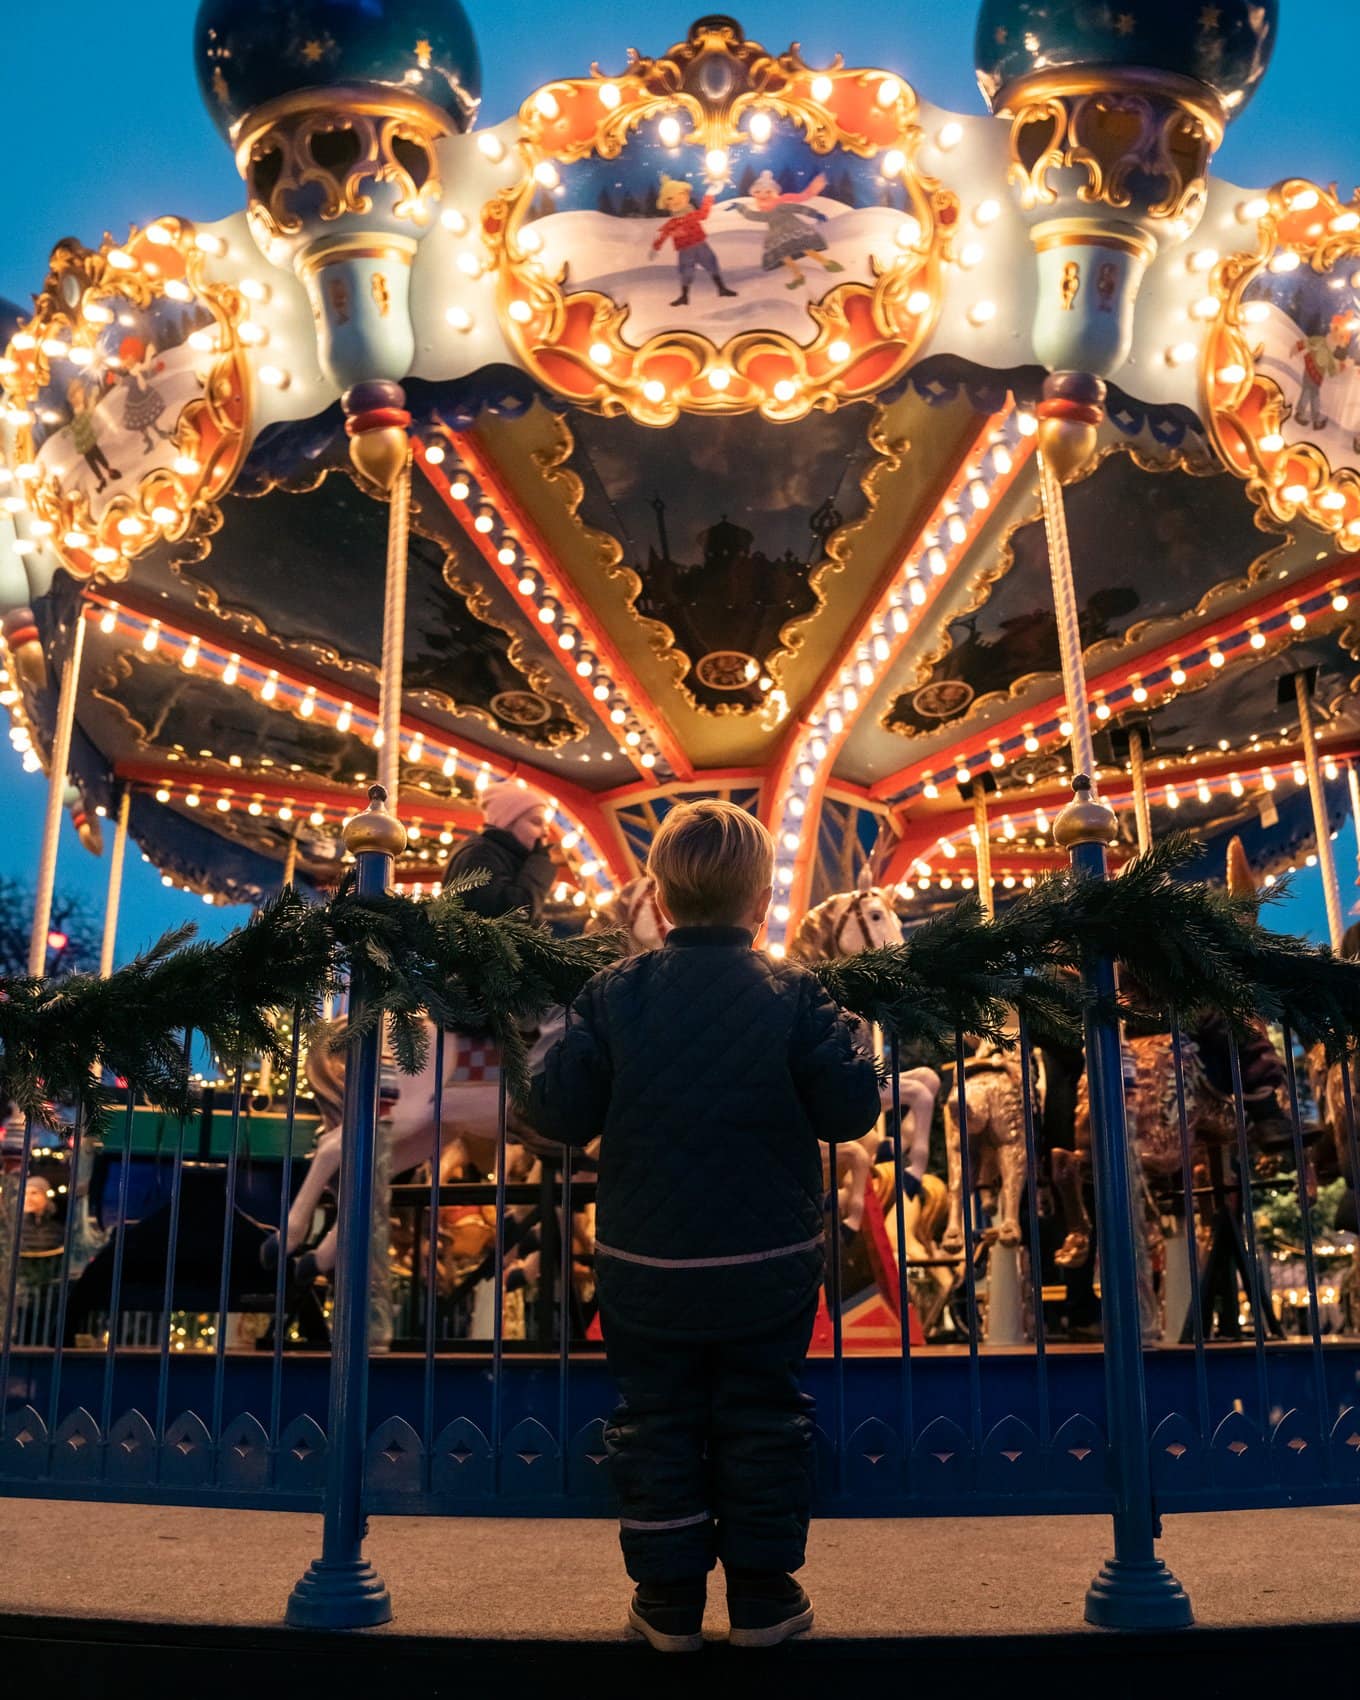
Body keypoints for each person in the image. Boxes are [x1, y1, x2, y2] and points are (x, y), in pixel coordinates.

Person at [529, 800, 881, 1652]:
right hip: (769, 1262)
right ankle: (763, 1595)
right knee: (762, 1414)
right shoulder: (797, 994)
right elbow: (850, 1109)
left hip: (646, 1263)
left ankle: (667, 1601)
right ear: (762, 903)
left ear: (658, 894)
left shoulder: (612, 993)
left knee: (657, 1418)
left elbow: (558, 1113)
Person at [441, 780, 555, 922]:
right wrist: (540, 866)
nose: (546, 832)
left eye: (546, 825)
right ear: (507, 822)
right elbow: (512, 917)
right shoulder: (480, 854)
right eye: (536, 822)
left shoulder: (492, 853)